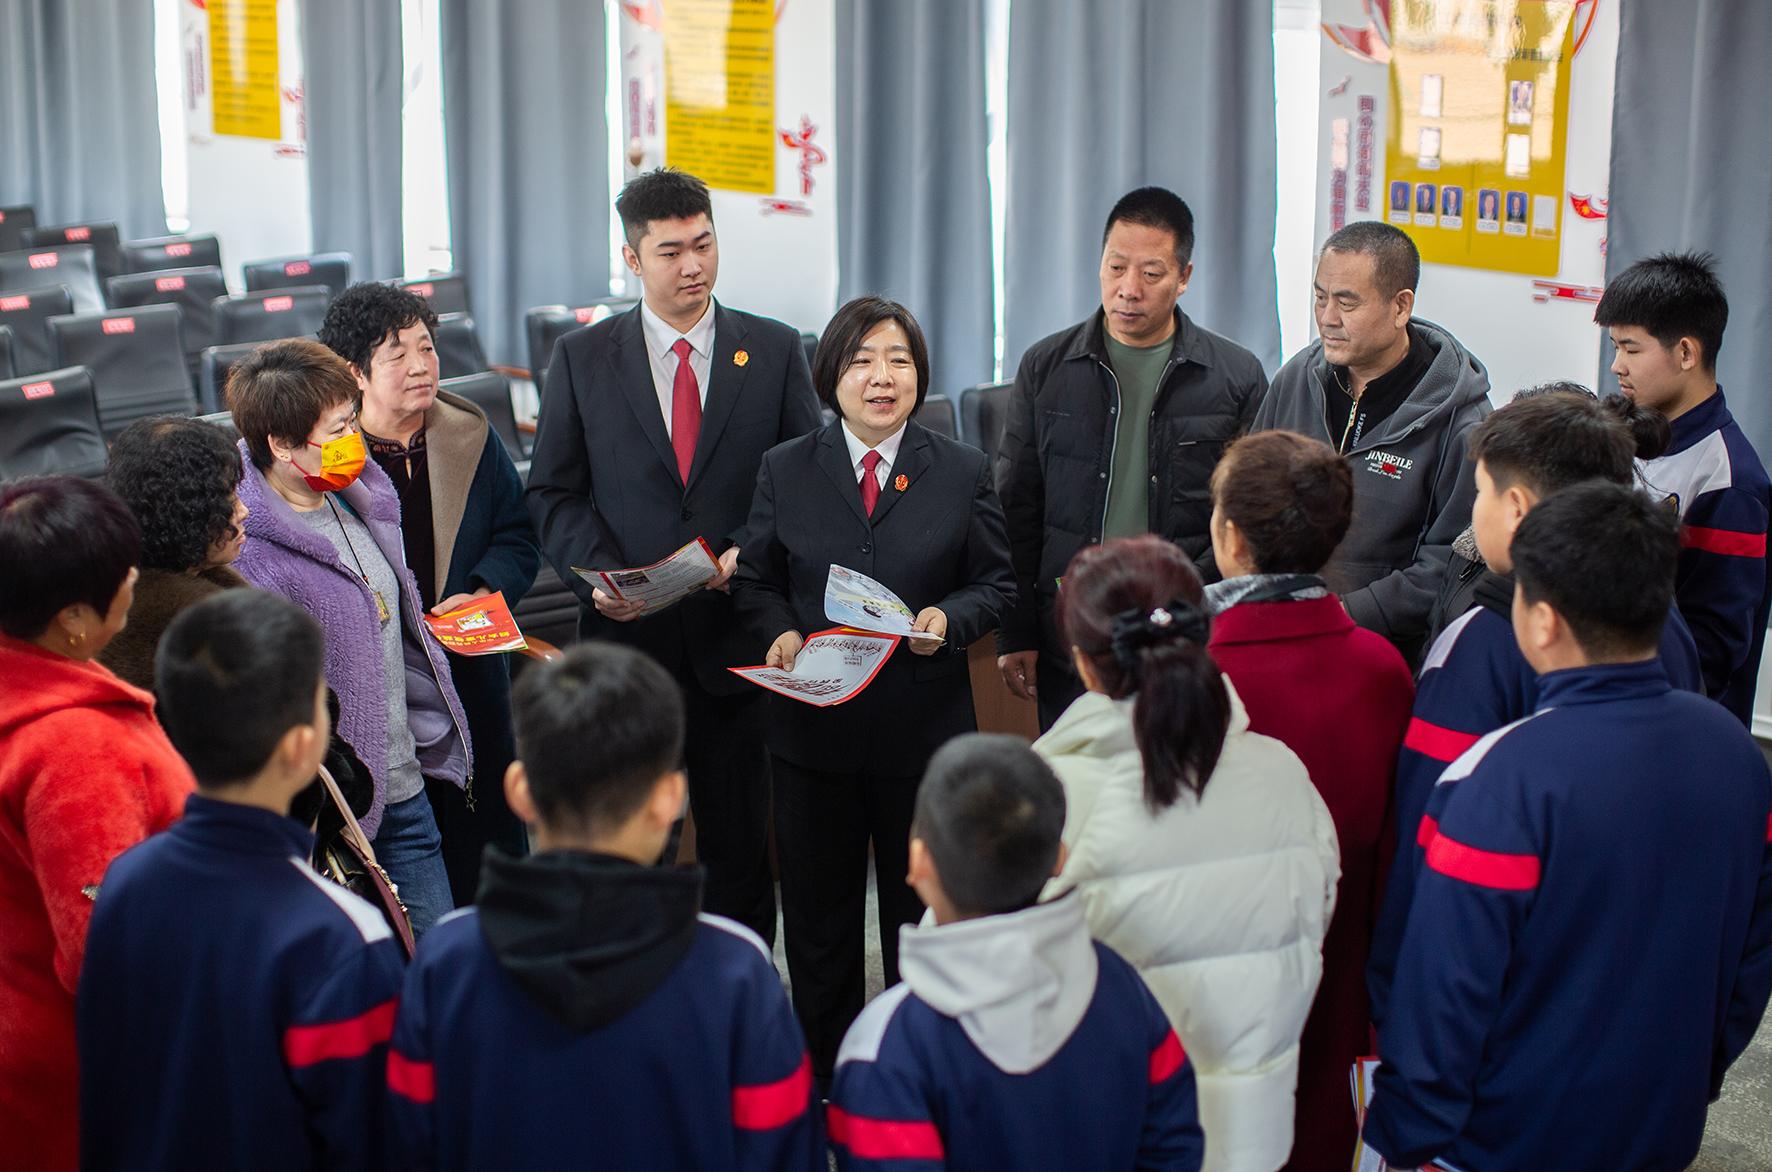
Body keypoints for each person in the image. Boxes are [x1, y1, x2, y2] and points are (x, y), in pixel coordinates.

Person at [1362, 482, 1772, 1169]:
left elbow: (1446, 987)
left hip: (1502, 1140)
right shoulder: (1738, 756)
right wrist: (1696, 1075)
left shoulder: (1498, 778)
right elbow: (1751, 956)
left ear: (1543, 621)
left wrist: (1406, 1131)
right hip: (1659, 1124)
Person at [386, 642, 820, 1170]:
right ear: (669, 797)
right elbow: (784, 1154)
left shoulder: (445, 961)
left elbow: (407, 1146)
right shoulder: (737, 971)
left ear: (519, 790)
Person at [527, 168, 821, 944]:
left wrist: (749, 551)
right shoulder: (583, 358)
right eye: (670, 252)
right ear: (632, 259)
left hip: (739, 642)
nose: (693, 266)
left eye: (704, 244)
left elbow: (806, 482)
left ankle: (740, 988)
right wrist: (597, 577)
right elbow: (553, 492)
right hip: (629, 647)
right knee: (630, 853)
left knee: (740, 854)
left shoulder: (774, 348)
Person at [733, 295, 1015, 1082]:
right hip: (812, 736)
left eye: (898, 360)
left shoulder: (961, 468)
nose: (881, 377)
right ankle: (828, 1089)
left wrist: (947, 619)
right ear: (831, 376)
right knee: (818, 929)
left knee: (920, 923)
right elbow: (755, 581)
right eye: (861, 361)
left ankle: (918, 1080)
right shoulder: (787, 467)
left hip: (922, 736)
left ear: (919, 374)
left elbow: (996, 585)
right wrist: (778, 631)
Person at [1368, 387, 1707, 1026]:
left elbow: (1425, 845)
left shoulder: (1479, 646)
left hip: (1510, 1006)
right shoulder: (1663, 622)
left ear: (1517, 509)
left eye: (1480, 493)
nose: (1473, 510)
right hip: (1646, 1000)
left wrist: (1391, 1005)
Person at [1036, 535, 1338, 1172]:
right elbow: (1316, 912)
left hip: (1112, 1135)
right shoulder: (1283, 772)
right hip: (1254, 1132)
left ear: (1084, 663)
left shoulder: (1050, 795)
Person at [78, 590, 406, 1171]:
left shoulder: (124, 883)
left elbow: (105, 1086)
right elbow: (377, 1140)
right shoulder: (341, 937)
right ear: (302, 746)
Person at [827, 734, 1205, 1171]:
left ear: (919, 863)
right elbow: (1174, 1144)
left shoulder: (884, 1046)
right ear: (1060, 858)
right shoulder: (1123, 985)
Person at [1201, 431, 1414, 1172]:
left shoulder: (1190, 676)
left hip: (1214, 1005)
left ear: (1231, 538)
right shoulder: (1384, 670)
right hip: (1345, 984)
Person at [996, 186, 1270, 729]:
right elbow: (1017, 507)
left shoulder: (1236, 378)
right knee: (1073, 772)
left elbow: (1246, 516)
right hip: (1072, 630)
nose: (1128, 289)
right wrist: (1015, 630)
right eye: (1116, 267)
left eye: (1151, 273)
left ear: (1184, 277)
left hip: (1183, 633)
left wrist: (1184, 597)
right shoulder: (1046, 367)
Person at [229, 337, 471, 937]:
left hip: (405, 781)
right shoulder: (251, 553)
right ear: (281, 445)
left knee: (435, 958)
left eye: (351, 422)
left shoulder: (357, 495)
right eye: (336, 430)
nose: (353, 441)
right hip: (334, 810)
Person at [321, 282, 540, 903]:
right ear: (354, 372)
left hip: (468, 670)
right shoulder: (330, 456)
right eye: (397, 354)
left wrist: (482, 589)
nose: (421, 366)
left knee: (487, 853)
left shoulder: (468, 434)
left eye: (426, 348)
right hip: (376, 680)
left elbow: (518, 537)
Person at [0, 477, 195, 1172]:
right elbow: (107, 951)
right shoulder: (76, 749)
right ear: (74, 617)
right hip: (83, 1075)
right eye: (122, 573)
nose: (135, 578)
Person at [1253, 221, 1490, 659]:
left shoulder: (1461, 422)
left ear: (1400, 307)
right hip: (1276, 631)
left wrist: (1345, 613)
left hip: (1383, 654)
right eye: (1320, 298)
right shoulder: (1297, 379)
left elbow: (1453, 562)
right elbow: (1247, 497)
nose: (1328, 318)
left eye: (1347, 303)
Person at [1595, 251, 1771, 724]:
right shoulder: (1625, 436)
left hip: (1669, 719)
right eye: (1614, 347)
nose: (1617, 366)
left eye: (1631, 349)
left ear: (1687, 353)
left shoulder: (1729, 479)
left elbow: (1714, 647)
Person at [96, 415, 249, 689]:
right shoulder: (199, 629)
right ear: (184, 515)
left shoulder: (120, 590)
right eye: (228, 502)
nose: (243, 511)